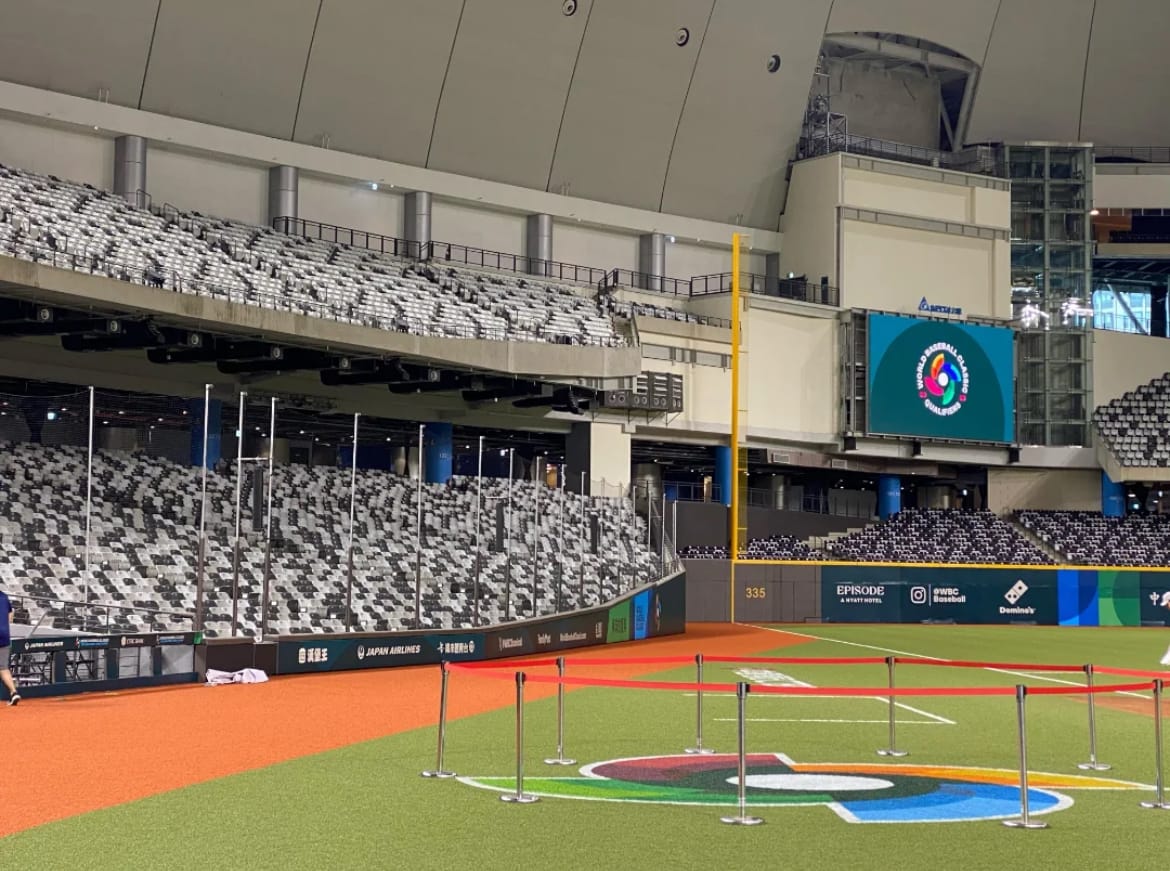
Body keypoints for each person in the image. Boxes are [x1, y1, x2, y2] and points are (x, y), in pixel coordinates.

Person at [0, 590, 19, 705]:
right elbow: (10, 617)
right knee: (3, 668)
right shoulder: (4, 596)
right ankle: (13, 692)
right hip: (4, 635)